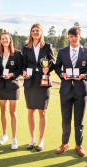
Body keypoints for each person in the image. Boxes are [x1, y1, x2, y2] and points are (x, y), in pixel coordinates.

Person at [54, 27, 87, 157]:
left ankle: (79, 145)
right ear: (68, 37)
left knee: (79, 121)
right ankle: (64, 143)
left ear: (80, 37)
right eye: (71, 36)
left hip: (81, 90)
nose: (73, 38)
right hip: (66, 89)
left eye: (76, 36)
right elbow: (56, 67)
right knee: (66, 119)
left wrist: (85, 76)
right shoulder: (62, 51)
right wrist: (62, 74)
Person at [22, 23, 55, 151]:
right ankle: (32, 138)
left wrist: (48, 68)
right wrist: (24, 72)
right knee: (31, 111)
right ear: (30, 33)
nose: (35, 33)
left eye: (38, 31)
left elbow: (53, 62)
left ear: (41, 33)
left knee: (42, 111)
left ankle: (41, 139)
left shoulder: (47, 47)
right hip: (30, 82)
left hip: (43, 80)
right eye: (33, 31)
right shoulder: (26, 47)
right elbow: (23, 65)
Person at [0, 32, 22, 149]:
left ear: (10, 40)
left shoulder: (17, 53)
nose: (5, 40)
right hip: (2, 86)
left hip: (13, 86)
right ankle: (4, 135)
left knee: (13, 113)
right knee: (3, 111)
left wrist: (12, 74)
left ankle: (14, 138)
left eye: (7, 38)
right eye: (2, 39)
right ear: (0, 40)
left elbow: (20, 70)